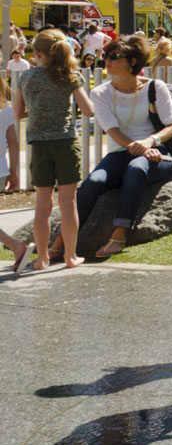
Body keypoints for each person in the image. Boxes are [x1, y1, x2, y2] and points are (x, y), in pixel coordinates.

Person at [75, 35, 172, 259]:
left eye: (115, 56)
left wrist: (149, 143)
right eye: (106, 56)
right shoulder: (100, 93)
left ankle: (120, 233)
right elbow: (112, 131)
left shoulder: (155, 87)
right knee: (94, 181)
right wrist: (141, 148)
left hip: (158, 152)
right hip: (120, 153)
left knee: (137, 168)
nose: (107, 60)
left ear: (133, 61)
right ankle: (62, 237)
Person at [13, 30, 96, 270]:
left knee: (43, 204)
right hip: (66, 142)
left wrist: (37, 113)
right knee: (68, 202)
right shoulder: (70, 76)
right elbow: (88, 110)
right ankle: (70, 256)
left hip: (39, 144)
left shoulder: (26, 78)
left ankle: (41, 258)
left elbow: (18, 114)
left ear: (37, 53)